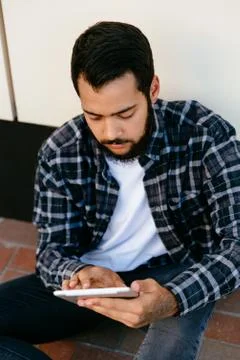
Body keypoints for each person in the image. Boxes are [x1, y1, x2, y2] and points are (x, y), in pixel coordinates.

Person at [0, 21, 239, 360]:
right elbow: (52, 253)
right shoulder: (61, 151)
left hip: (175, 273)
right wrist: (78, 272)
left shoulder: (204, 134)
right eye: (93, 115)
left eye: (125, 113)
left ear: (152, 90)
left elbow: (236, 244)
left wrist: (173, 298)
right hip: (95, 280)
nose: (111, 132)